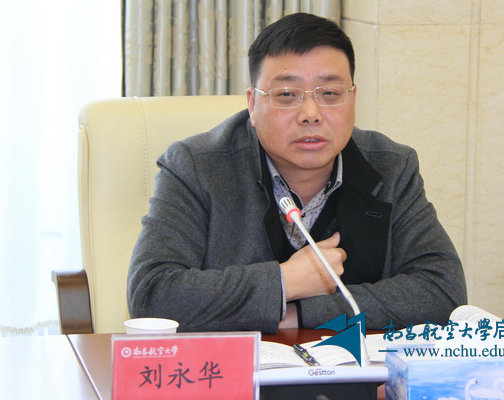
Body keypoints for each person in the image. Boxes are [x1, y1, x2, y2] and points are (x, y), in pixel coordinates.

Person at [127, 12, 467, 333]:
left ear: (353, 98)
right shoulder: (195, 166)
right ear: (253, 104)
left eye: (330, 93)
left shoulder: (392, 167)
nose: (310, 113)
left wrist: (301, 312)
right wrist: (286, 281)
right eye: (287, 95)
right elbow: (151, 295)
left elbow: (443, 292)